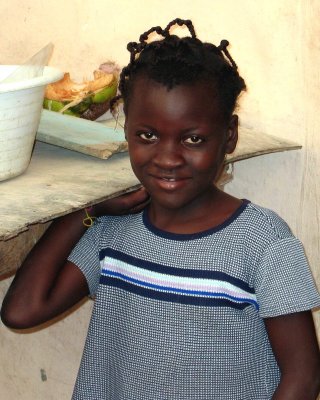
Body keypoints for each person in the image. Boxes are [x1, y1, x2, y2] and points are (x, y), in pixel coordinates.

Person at [1, 18, 320, 400]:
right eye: (148, 135)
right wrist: (85, 214)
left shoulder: (262, 242)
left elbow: (304, 379)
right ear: (126, 131)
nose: (168, 158)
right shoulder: (112, 230)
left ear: (229, 136)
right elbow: (21, 312)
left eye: (193, 138)